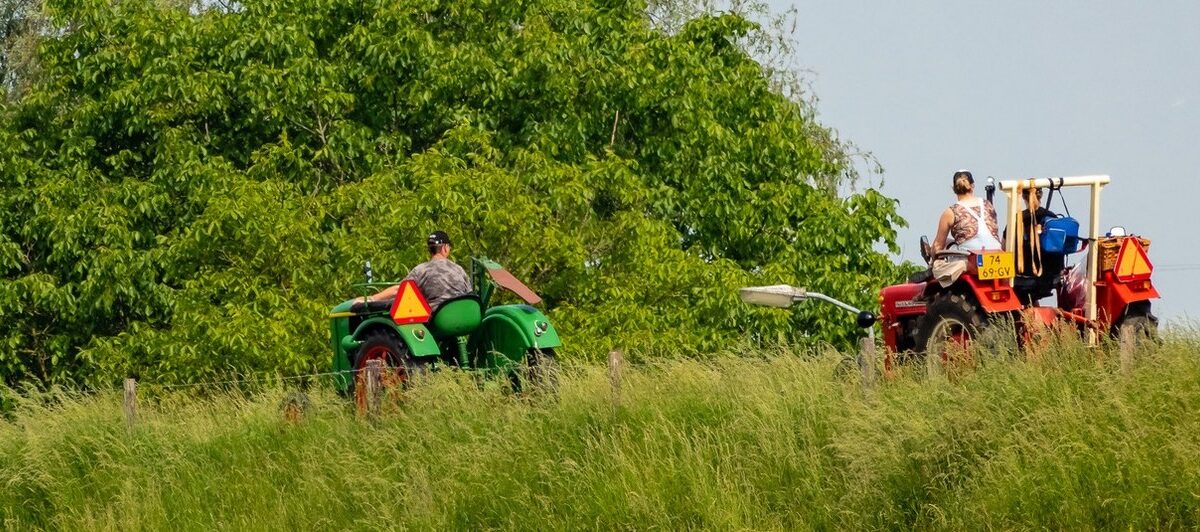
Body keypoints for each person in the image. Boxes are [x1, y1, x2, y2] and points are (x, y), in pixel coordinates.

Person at [368, 230, 471, 312]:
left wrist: (373, 298)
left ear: (429, 250)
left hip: (437, 318)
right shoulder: (459, 269)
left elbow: (399, 290)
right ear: (445, 248)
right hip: (462, 315)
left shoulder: (421, 270)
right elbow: (469, 293)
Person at [932, 169, 1002, 253]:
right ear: (972, 186)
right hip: (997, 250)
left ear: (953, 188)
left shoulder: (951, 212)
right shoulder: (988, 205)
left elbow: (938, 245)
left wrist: (932, 260)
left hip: (970, 255)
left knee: (946, 242)